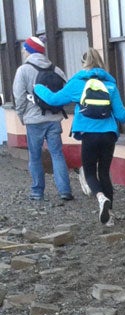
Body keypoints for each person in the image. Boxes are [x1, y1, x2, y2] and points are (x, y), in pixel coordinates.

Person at [34, 48, 125, 226]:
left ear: (83, 64)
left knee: (89, 171)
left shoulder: (77, 83)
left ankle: (101, 198)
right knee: (104, 171)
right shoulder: (110, 85)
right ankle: (109, 216)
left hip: (89, 134)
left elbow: (54, 100)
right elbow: (121, 115)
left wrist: (38, 88)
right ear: (101, 63)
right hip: (108, 134)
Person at [13, 35, 73, 202]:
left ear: (31, 50)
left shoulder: (23, 70)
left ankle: (37, 191)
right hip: (54, 118)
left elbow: (19, 97)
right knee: (57, 154)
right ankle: (65, 191)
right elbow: (65, 91)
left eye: (26, 48)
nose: (24, 51)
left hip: (34, 120)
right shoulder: (56, 69)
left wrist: (22, 115)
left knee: (35, 155)